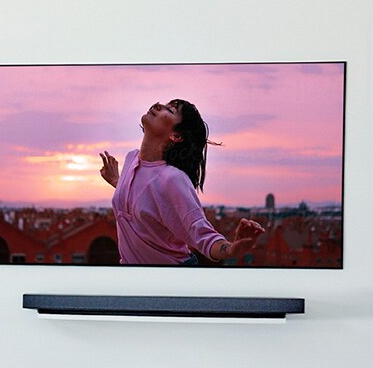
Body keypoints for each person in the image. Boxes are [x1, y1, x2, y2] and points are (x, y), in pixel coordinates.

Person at [99, 99, 265, 265]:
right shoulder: (131, 159)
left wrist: (231, 249)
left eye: (170, 110)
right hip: (133, 279)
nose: (158, 105)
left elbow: (202, 233)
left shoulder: (173, 179)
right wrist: (117, 181)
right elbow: (142, 197)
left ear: (176, 136)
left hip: (172, 279)